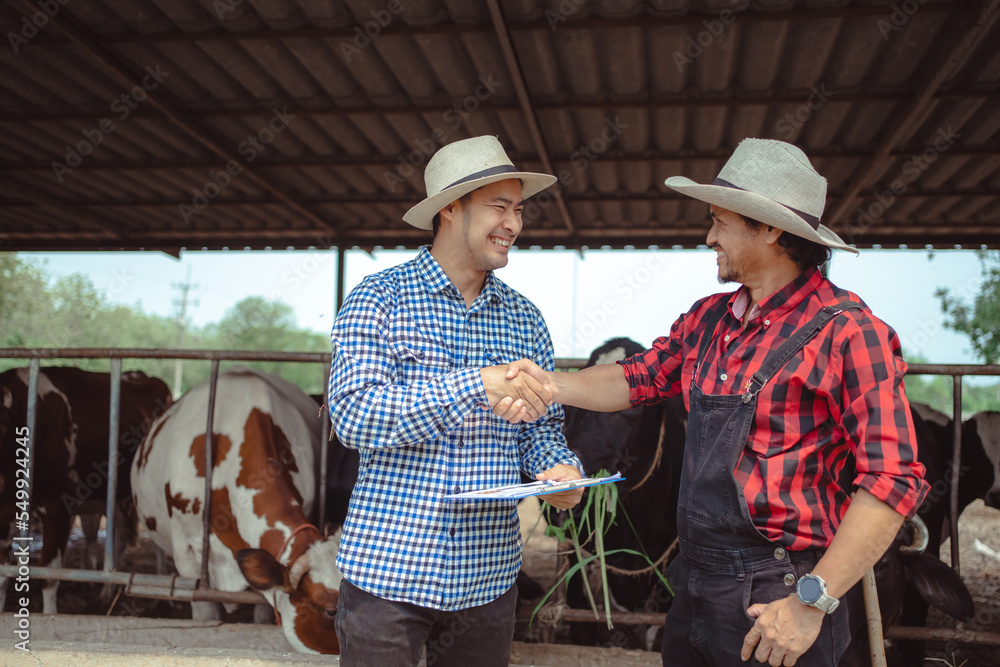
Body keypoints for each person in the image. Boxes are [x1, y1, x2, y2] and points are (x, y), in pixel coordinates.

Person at [503, 138, 930, 667]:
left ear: (770, 229)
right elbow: (636, 379)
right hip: (696, 581)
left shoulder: (849, 333)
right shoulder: (709, 320)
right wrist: (548, 384)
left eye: (719, 222)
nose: (708, 238)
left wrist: (811, 602)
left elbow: (892, 482)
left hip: (782, 588)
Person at [327, 135, 584, 667]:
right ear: (449, 209)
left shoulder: (525, 318)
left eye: (518, 209)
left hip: (488, 580)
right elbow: (352, 417)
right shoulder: (378, 299)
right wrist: (475, 385)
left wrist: (559, 470)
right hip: (388, 575)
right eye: (498, 207)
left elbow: (542, 427)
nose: (513, 223)